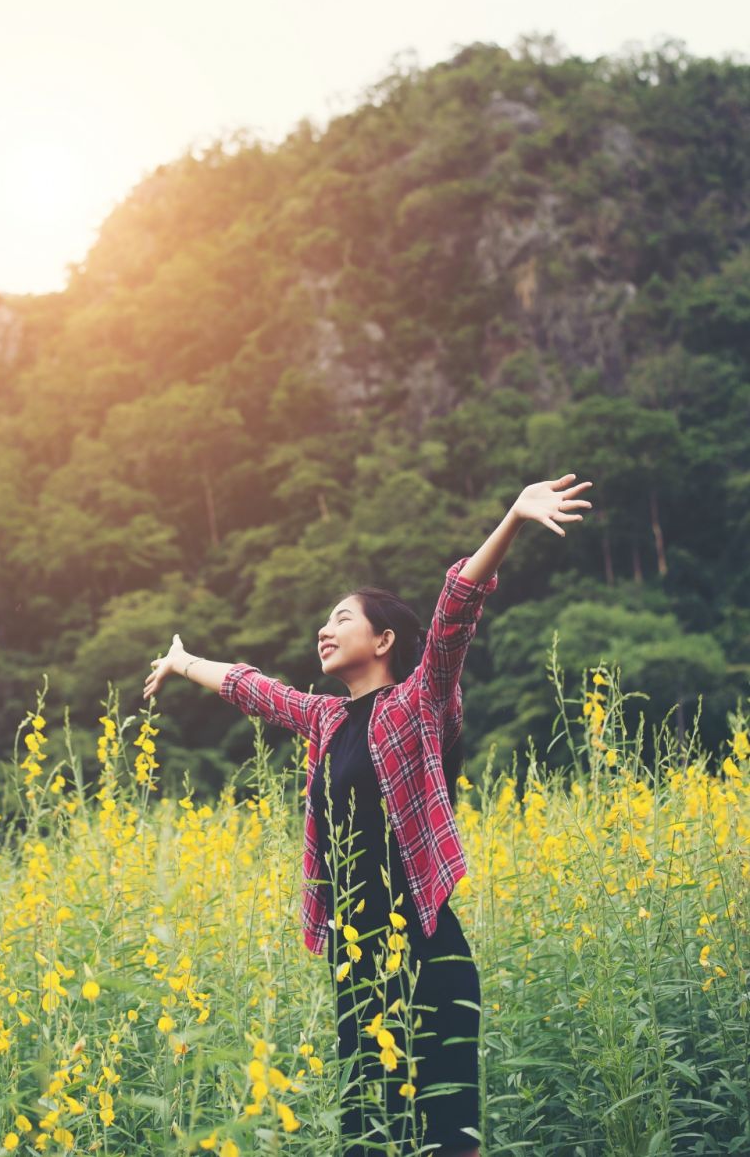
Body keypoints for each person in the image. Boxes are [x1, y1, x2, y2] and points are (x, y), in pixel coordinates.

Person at [144, 473, 594, 1156]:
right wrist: (182, 662)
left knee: (448, 1138)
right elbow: (253, 689)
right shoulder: (327, 720)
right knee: (367, 1138)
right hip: (356, 960)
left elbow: (453, 616)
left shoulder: (415, 707)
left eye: (342, 618)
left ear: (383, 641)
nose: (325, 630)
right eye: (325, 621)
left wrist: (511, 519)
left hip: (424, 946)